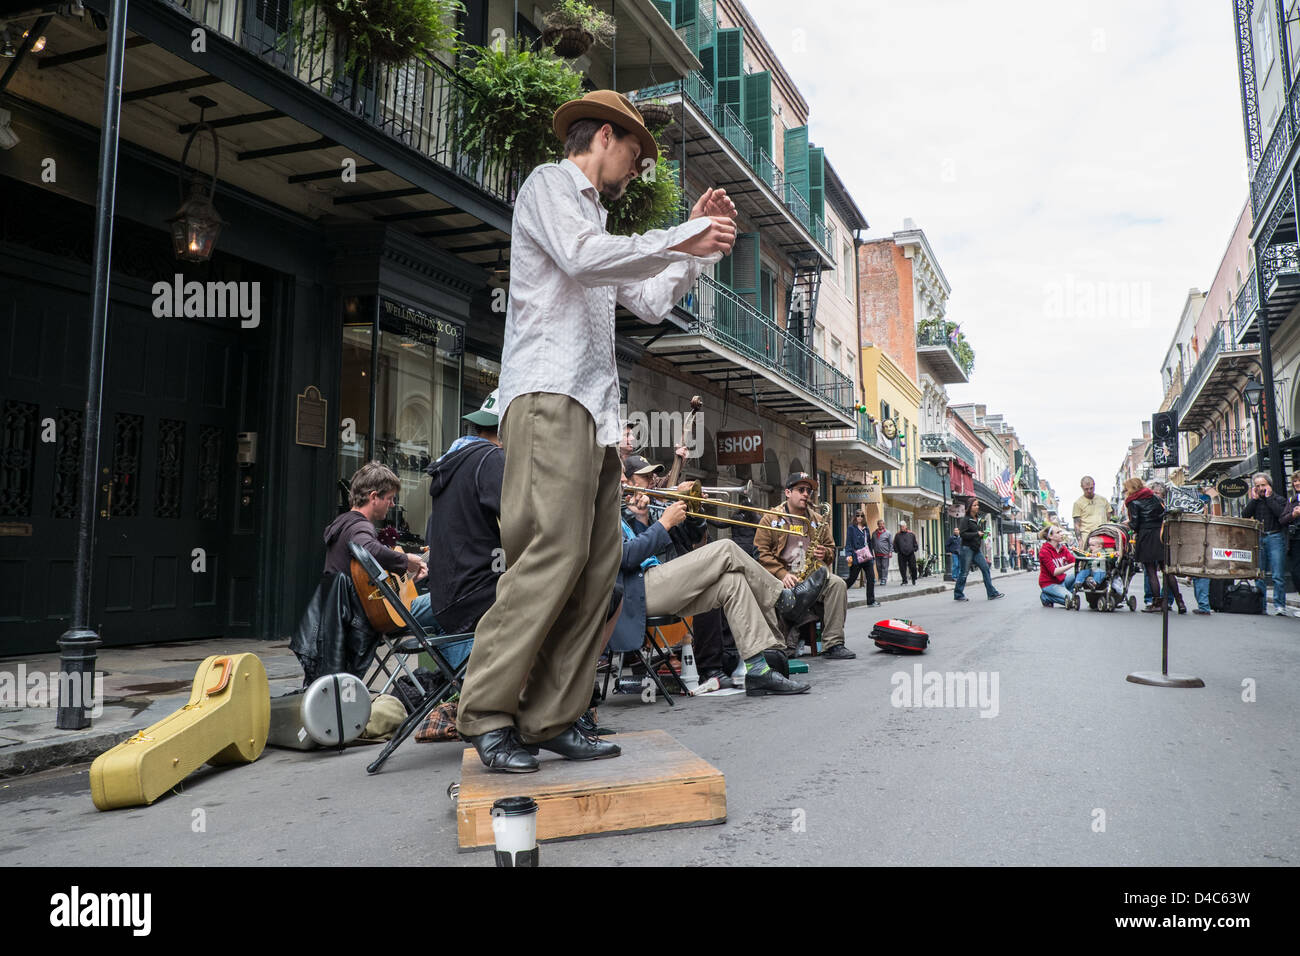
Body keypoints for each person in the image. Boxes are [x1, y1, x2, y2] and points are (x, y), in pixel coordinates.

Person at [455, 89, 739, 773]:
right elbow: (584, 258)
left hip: (594, 413)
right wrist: (680, 235)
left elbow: (642, 298)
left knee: (596, 568)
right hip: (548, 397)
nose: (636, 170)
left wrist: (695, 254)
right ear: (606, 137)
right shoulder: (550, 186)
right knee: (551, 554)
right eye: (636, 157)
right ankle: (488, 713)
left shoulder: (597, 222)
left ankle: (552, 716)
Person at [617, 488, 819, 696]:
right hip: (637, 591)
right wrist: (664, 523)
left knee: (733, 581)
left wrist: (642, 520)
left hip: (649, 582)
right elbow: (627, 557)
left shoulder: (621, 512)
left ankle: (758, 670)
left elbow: (645, 548)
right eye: (621, 477)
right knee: (726, 548)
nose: (623, 482)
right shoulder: (603, 513)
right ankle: (784, 599)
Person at [406, 391, 503, 673]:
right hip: (475, 597)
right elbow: (522, 522)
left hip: (448, 596)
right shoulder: (491, 458)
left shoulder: (456, 460)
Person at [754, 473, 855, 659]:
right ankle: (776, 644)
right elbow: (761, 553)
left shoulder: (817, 520)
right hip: (781, 577)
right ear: (787, 492)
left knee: (837, 584)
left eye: (809, 491)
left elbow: (831, 549)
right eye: (801, 490)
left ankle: (833, 644)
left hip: (812, 575)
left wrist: (825, 553)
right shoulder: (770, 519)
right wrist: (781, 573)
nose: (806, 494)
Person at [1123, 477, 1175, 614]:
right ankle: (1180, 603)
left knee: (1151, 572)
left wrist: (1127, 524)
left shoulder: (1133, 502)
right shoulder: (1154, 497)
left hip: (1146, 536)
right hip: (1160, 535)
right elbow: (1163, 513)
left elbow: (1135, 524)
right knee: (1167, 570)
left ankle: (1157, 602)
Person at [1243, 471, 1289, 615]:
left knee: (1277, 574)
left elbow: (1281, 514)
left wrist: (1269, 499)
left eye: (1263, 485)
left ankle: (1279, 605)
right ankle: (1260, 605)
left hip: (1275, 537)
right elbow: (1245, 514)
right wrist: (1254, 500)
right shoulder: (1256, 501)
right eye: (1257, 485)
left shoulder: (1279, 499)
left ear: (1269, 485)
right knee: (1259, 574)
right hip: (1259, 538)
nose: (1261, 488)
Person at [953, 499, 1004, 601]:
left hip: (976, 549)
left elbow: (976, 534)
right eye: (975, 505)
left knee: (985, 569)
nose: (977, 507)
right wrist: (977, 534)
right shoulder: (966, 519)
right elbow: (962, 534)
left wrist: (983, 534)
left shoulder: (977, 519)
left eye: (978, 505)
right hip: (967, 549)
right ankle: (958, 594)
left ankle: (991, 593)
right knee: (964, 573)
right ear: (970, 507)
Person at [844, 511, 879, 605]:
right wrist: (848, 555)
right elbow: (848, 543)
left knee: (871, 578)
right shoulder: (851, 528)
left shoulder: (866, 529)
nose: (859, 517)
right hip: (856, 557)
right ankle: (838, 591)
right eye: (857, 516)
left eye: (862, 516)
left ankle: (871, 601)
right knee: (852, 579)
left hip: (867, 557)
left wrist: (872, 557)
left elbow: (869, 544)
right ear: (854, 517)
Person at [1278, 470, 1300, 618]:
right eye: (1295, 481)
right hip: (1295, 540)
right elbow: (1282, 519)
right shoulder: (1293, 500)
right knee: (1296, 572)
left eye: (1299, 480)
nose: (1297, 483)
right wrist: (1293, 515)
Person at [1038, 526, 1076, 607]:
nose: (1061, 534)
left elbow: (1073, 561)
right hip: (1049, 583)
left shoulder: (1062, 548)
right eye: (1058, 532)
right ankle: (1046, 597)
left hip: (1062, 580)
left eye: (1061, 532)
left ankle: (1063, 594)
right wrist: (1071, 565)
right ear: (1050, 536)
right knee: (1072, 601)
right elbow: (1054, 572)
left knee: (1077, 576)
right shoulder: (1044, 551)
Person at [1072, 475, 1112, 543]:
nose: (1089, 491)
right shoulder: (1078, 503)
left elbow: (1108, 517)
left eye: (1091, 488)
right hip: (1087, 538)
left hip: (1103, 535)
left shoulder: (1103, 500)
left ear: (1094, 485)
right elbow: (1076, 525)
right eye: (1086, 489)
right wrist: (1080, 540)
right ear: (1082, 487)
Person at [871, 519, 893, 586]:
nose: (881, 525)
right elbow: (872, 543)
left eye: (882, 524)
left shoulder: (888, 533)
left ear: (884, 524)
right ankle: (881, 578)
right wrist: (871, 552)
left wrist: (890, 552)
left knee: (884, 567)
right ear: (878, 525)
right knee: (878, 567)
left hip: (885, 553)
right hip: (877, 553)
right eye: (879, 524)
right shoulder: (874, 533)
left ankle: (884, 579)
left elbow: (891, 543)